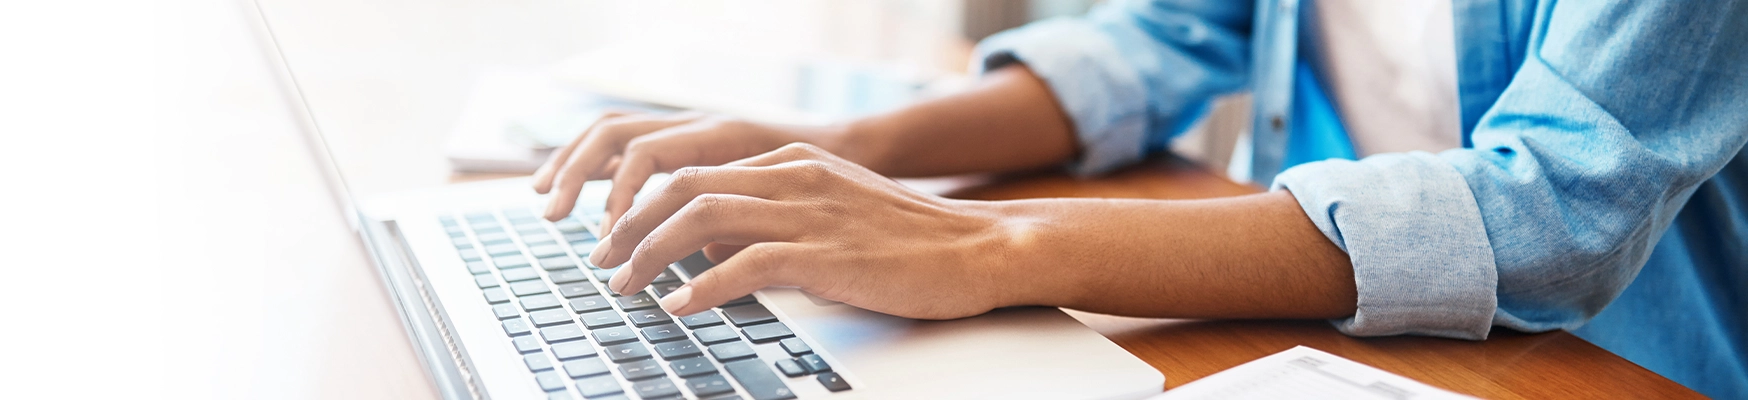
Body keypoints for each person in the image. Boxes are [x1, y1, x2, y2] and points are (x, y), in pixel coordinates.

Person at [531, 0, 1747, 397]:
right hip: (1332, 336)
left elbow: (1553, 210)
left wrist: (996, 243)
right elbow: (1171, 29)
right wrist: (851, 148)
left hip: (1605, 366)